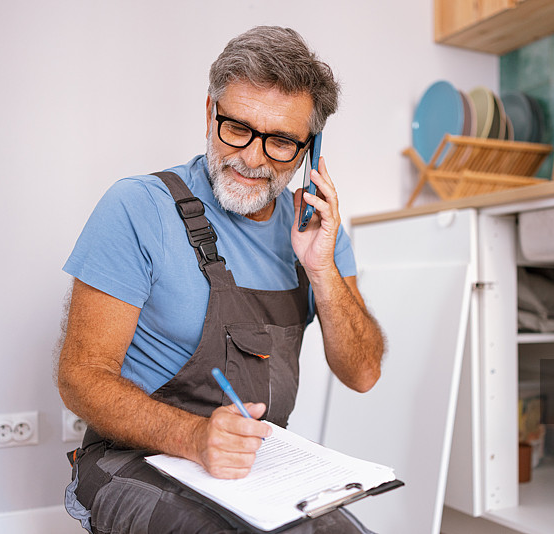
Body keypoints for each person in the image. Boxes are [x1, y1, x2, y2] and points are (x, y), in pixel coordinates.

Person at [56, 26, 384, 534]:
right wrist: (194, 437)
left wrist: (322, 268)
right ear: (210, 112)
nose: (252, 159)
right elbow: (80, 375)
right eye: (237, 128)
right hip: (134, 457)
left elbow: (362, 374)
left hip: (253, 466)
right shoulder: (138, 207)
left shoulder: (316, 230)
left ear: (309, 150)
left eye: (280, 142)